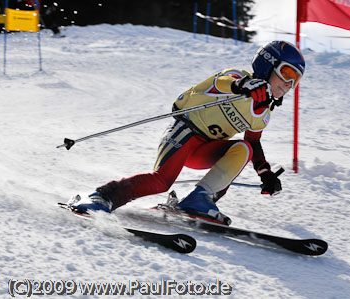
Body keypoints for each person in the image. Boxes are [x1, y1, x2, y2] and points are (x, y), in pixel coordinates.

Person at [70, 40, 305, 225]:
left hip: (204, 150)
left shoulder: (263, 112)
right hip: (184, 133)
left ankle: (199, 200)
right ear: (268, 64)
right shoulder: (237, 77)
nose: (289, 84)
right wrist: (241, 87)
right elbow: (223, 83)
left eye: (295, 81)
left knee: (243, 148)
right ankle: (102, 197)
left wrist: (266, 174)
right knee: (161, 181)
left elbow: (254, 143)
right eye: (287, 74)